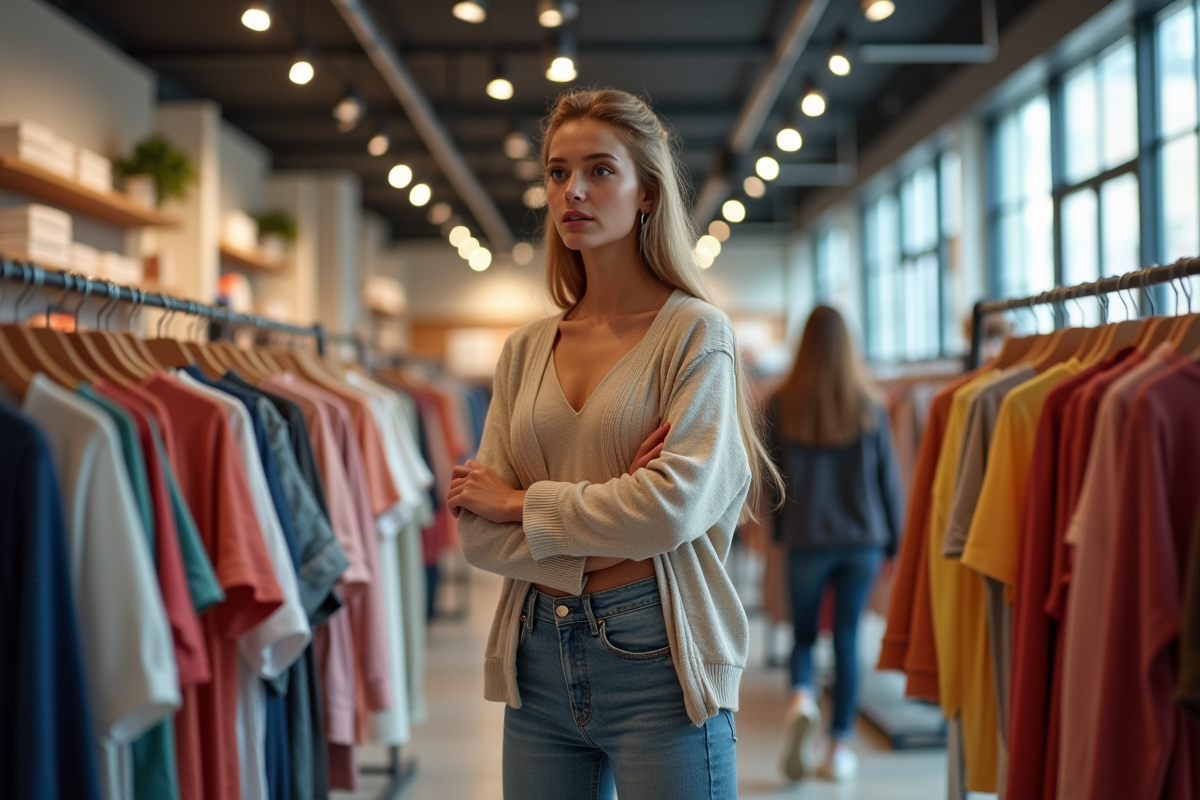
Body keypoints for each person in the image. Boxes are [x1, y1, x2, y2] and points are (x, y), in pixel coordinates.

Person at [447, 88, 782, 800]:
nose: (573, 191)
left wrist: (520, 504)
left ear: (647, 194)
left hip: (659, 650)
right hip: (532, 656)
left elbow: (672, 507)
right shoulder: (524, 349)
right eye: (558, 172)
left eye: (600, 170)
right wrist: (618, 518)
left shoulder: (694, 333)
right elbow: (476, 534)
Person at [767, 305, 903, 782]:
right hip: (863, 540)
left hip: (806, 538)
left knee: (804, 636)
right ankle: (838, 748)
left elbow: (774, 482)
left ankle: (802, 696)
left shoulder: (781, 403)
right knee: (847, 641)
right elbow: (889, 480)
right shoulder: (870, 402)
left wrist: (781, 534)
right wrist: (894, 545)